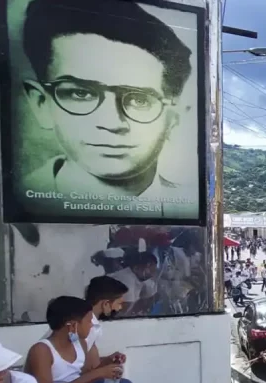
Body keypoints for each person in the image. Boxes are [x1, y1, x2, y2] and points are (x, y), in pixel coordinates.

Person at [17, 0, 197, 220]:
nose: (112, 122)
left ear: (174, 118)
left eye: (140, 100)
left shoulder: (188, 207)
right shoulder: (23, 202)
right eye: (81, 93)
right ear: (41, 103)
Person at [82, 277, 151, 383]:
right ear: (105, 303)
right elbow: (82, 370)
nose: (120, 307)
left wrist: (109, 360)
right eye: (119, 303)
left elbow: (90, 363)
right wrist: (103, 371)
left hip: (83, 380)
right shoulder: (84, 324)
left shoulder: (92, 323)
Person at [107, 252, 157, 316]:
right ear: (136, 268)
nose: (152, 272)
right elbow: (124, 309)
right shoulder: (126, 279)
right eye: (148, 267)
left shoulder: (140, 278)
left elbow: (152, 293)